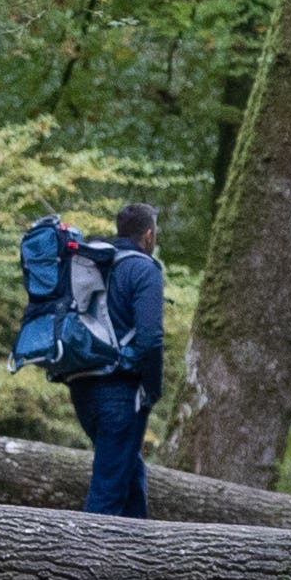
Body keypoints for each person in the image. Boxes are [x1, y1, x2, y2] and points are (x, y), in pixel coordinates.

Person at [77, 200, 167, 517]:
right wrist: (152, 389)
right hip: (120, 393)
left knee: (129, 478)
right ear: (148, 235)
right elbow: (151, 339)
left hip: (82, 385)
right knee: (107, 494)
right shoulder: (144, 270)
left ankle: (140, 561)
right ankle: (82, 564)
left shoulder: (95, 264)